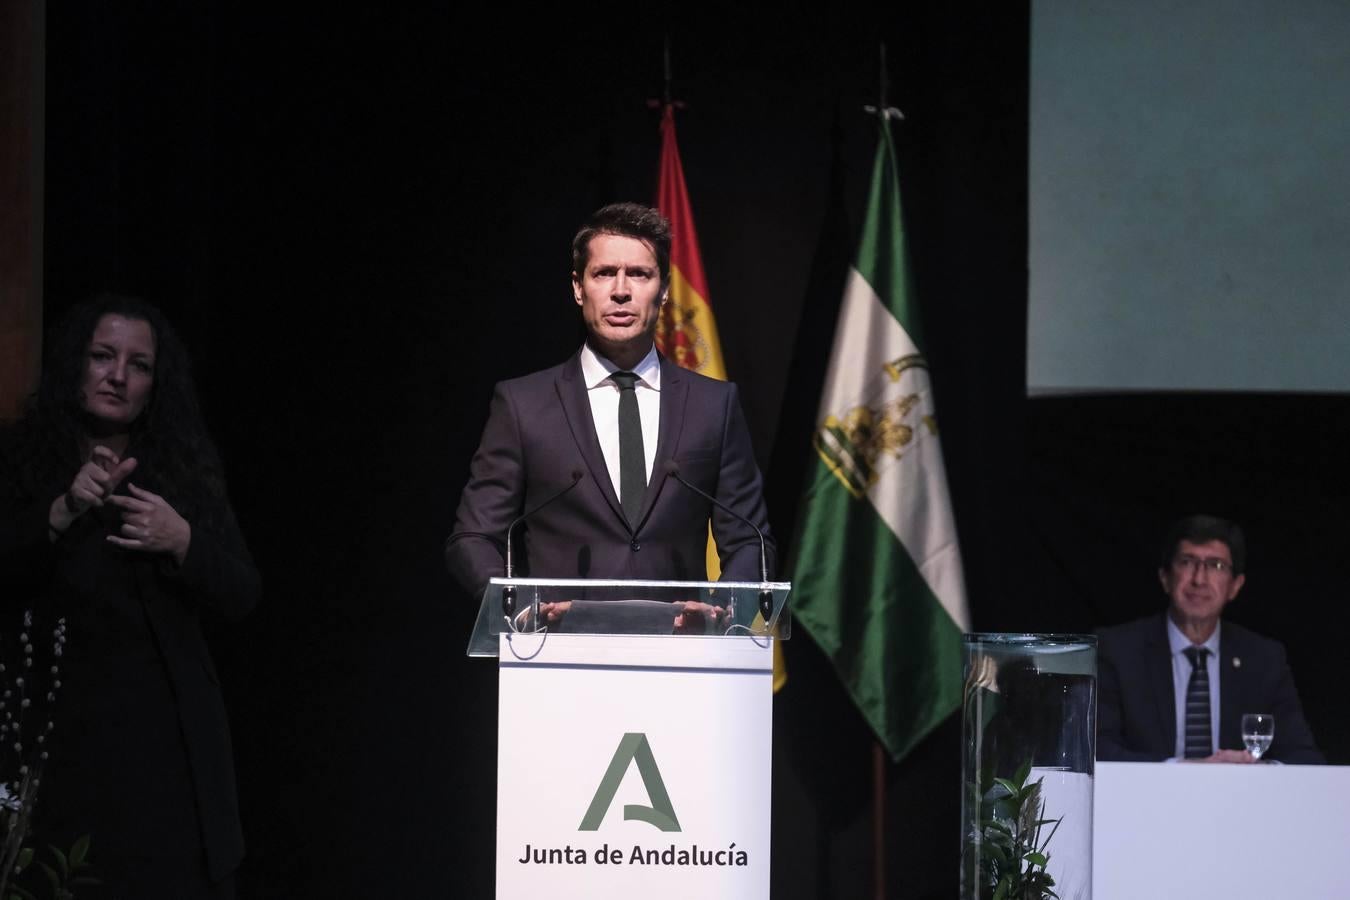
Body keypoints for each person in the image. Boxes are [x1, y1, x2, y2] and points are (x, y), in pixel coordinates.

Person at [0, 294, 259, 897]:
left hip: (164, 746)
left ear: (154, 382)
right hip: (57, 739)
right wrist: (63, 510)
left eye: (138, 364)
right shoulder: (23, 457)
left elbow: (243, 592)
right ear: (75, 365)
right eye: (102, 356)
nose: (117, 376)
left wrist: (185, 540)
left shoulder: (182, 466)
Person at [446, 202, 774, 610]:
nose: (621, 290)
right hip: (555, 653)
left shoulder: (715, 406)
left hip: (683, 659)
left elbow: (749, 541)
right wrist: (517, 608)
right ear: (578, 287)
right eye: (604, 273)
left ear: (665, 288)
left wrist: (722, 613)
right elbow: (473, 537)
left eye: (639, 273)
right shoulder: (522, 405)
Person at [1096, 514, 1322, 764]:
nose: (1199, 580)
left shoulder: (1264, 659)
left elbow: (1304, 758)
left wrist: (1256, 770)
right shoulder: (1118, 651)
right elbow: (1097, 750)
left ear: (1235, 585)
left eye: (1215, 565)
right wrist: (1181, 770)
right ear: (1165, 578)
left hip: (1241, 801)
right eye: (1187, 562)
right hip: (1145, 801)